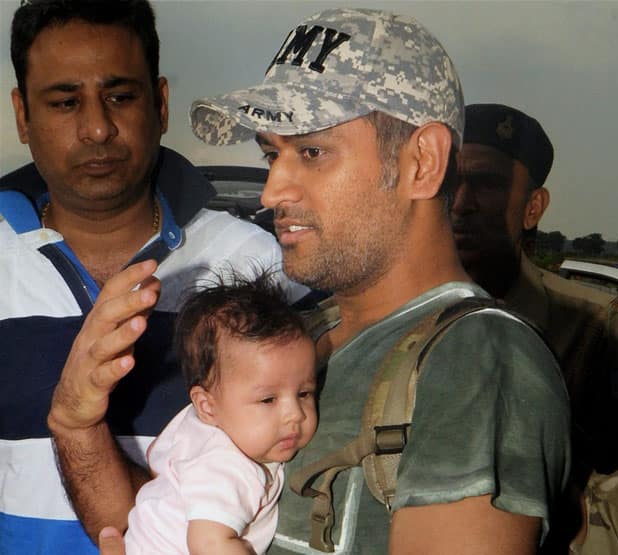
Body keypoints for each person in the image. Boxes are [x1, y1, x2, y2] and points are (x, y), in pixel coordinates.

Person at [51, 8, 571, 554]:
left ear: (423, 161)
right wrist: (76, 424)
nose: (273, 191)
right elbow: (172, 522)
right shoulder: (295, 336)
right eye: (272, 155)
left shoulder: (477, 361)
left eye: (312, 152)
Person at [0, 1, 307, 553]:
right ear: (23, 114)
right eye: (65, 101)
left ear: (160, 103)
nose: (96, 128)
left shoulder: (266, 270)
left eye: (120, 97)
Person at [452, 102, 618, 553]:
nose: (460, 203)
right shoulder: (383, 314)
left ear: (532, 208)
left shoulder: (596, 325)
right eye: (450, 180)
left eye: (487, 184)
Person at [125, 273, 317, 554]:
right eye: (267, 400)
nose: (295, 415)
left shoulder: (193, 423)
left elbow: (158, 457)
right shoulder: (227, 466)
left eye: (304, 393)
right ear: (207, 405)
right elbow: (210, 544)